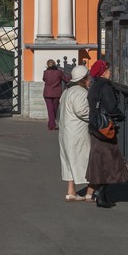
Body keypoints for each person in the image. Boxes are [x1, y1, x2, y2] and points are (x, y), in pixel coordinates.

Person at [85, 59, 128, 209]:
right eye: (108, 70)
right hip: (105, 128)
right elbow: (111, 107)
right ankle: (100, 192)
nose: (110, 72)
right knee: (110, 161)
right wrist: (120, 115)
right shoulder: (105, 86)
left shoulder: (94, 85)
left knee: (100, 161)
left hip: (95, 127)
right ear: (103, 72)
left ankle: (102, 195)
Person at [57, 64, 91, 202]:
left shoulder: (67, 91)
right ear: (83, 79)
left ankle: (71, 191)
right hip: (77, 132)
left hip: (66, 131)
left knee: (69, 161)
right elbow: (81, 111)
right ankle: (90, 192)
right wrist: (94, 116)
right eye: (88, 78)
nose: (89, 80)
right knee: (85, 160)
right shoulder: (80, 92)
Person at [42, 59, 70, 130]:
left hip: (47, 93)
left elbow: (44, 79)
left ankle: (51, 125)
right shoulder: (59, 72)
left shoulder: (46, 72)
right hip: (56, 93)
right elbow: (66, 80)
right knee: (55, 109)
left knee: (50, 110)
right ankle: (52, 124)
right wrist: (71, 76)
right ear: (55, 64)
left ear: (47, 65)